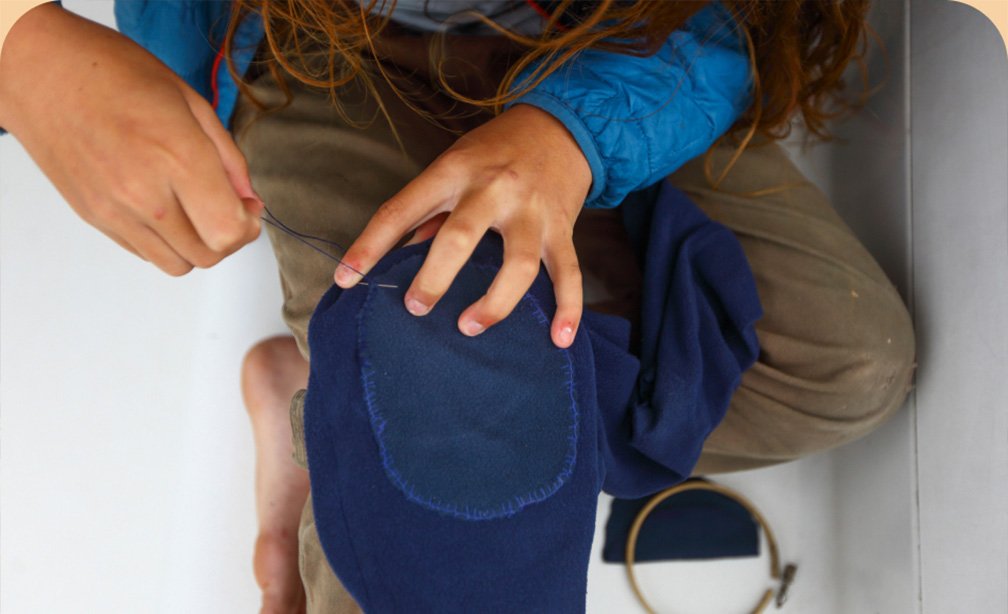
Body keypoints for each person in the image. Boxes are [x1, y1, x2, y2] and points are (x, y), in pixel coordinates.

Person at [0, 1, 916, 612]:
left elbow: (757, 19)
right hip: (312, 51)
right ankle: (369, 412)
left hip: (616, 44)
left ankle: (338, 411)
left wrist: (574, 139)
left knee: (850, 367)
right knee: (429, 546)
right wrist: (22, 44)